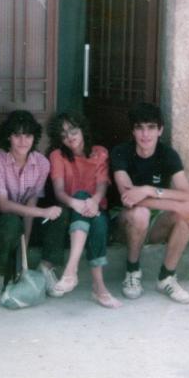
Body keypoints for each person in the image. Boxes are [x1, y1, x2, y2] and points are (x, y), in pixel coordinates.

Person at [111, 102, 189, 304]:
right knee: (140, 212)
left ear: (160, 130)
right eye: (139, 128)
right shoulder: (121, 152)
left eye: (151, 127)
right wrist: (174, 205)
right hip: (124, 223)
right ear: (133, 131)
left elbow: (187, 194)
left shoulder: (168, 154)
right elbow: (128, 199)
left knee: (187, 212)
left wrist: (149, 190)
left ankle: (167, 277)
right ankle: (132, 272)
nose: (145, 134)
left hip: (155, 224)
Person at [0, 110, 63, 301]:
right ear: (8, 137)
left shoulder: (41, 163)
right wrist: (42, 212)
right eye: (17, 135)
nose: (23, 141)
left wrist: (24, 249)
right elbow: (3, 205)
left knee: (60, 215)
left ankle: (45, 268)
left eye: (28, 136)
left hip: (27, 216)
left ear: (34, 138)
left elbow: (31, 202)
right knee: (10, 222)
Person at [46, 112, 122, 309]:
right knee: (81, 196)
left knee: (98, 222)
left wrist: (94, 201)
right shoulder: (57, 155)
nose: (69, 137)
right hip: (70, 211)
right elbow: (59, 192)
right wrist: (75, 203)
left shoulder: (100, 153)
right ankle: (97, 287)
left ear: (82, 130)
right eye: (63, 134)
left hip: (95, 209)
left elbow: (102, 185)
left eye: (73, 131)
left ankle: (73, 273)